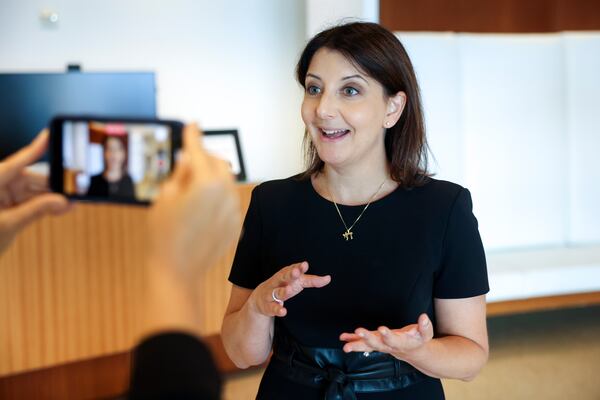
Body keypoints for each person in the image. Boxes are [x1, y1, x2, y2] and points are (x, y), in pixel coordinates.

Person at [221, 22, 489, 399]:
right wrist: (260, 305)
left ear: (393, 108)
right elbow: (241, 353)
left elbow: (472, 355)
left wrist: (419, 351)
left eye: (350, 90)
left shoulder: (444, 207)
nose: (324, 109)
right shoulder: (271, 202)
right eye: (314, 89)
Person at [0, 126, 240, 399]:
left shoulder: (131, 181)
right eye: (108, 150)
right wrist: (175, 270)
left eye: (118, 150)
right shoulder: (92, 180)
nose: (112, 155)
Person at [87, 134, 135, 198]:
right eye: (109, 149)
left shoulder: (129, 181)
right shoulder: (94, 181)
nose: (113, 154)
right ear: (104, 153)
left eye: (117, 149)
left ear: (123, 154)